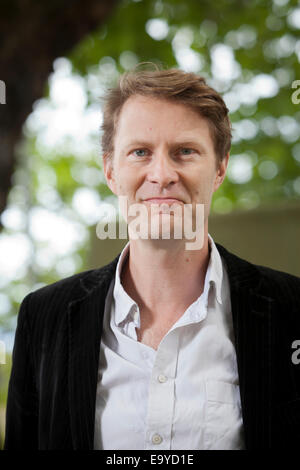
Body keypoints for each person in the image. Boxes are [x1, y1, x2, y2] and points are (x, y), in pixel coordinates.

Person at [4, 66, 300, 450]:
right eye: (140, 152)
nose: (162, 174)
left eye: (185, 151)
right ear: (111, 170)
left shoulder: (292, 308)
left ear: (220, 168)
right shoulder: (43, 318)